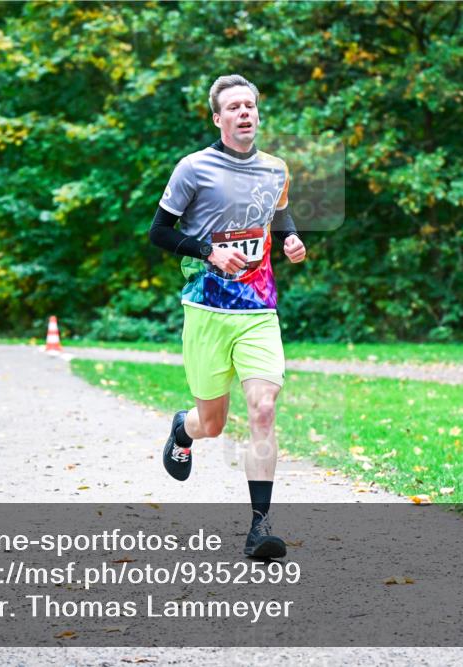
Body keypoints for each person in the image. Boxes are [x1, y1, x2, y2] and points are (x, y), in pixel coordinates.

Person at [148, 74, 306, 560]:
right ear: (218, 119)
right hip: (206, 309)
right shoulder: (193, 169)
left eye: (250, 106)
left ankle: (260, 526)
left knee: (262, 408)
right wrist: (209, 253)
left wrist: (291, 239)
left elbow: (277, 214)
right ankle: (183, 428)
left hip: (259, 307)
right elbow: (158, 232)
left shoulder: (276, 169)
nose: (244, 113)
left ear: (257, 114)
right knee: (212, 424)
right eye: (233, 107)